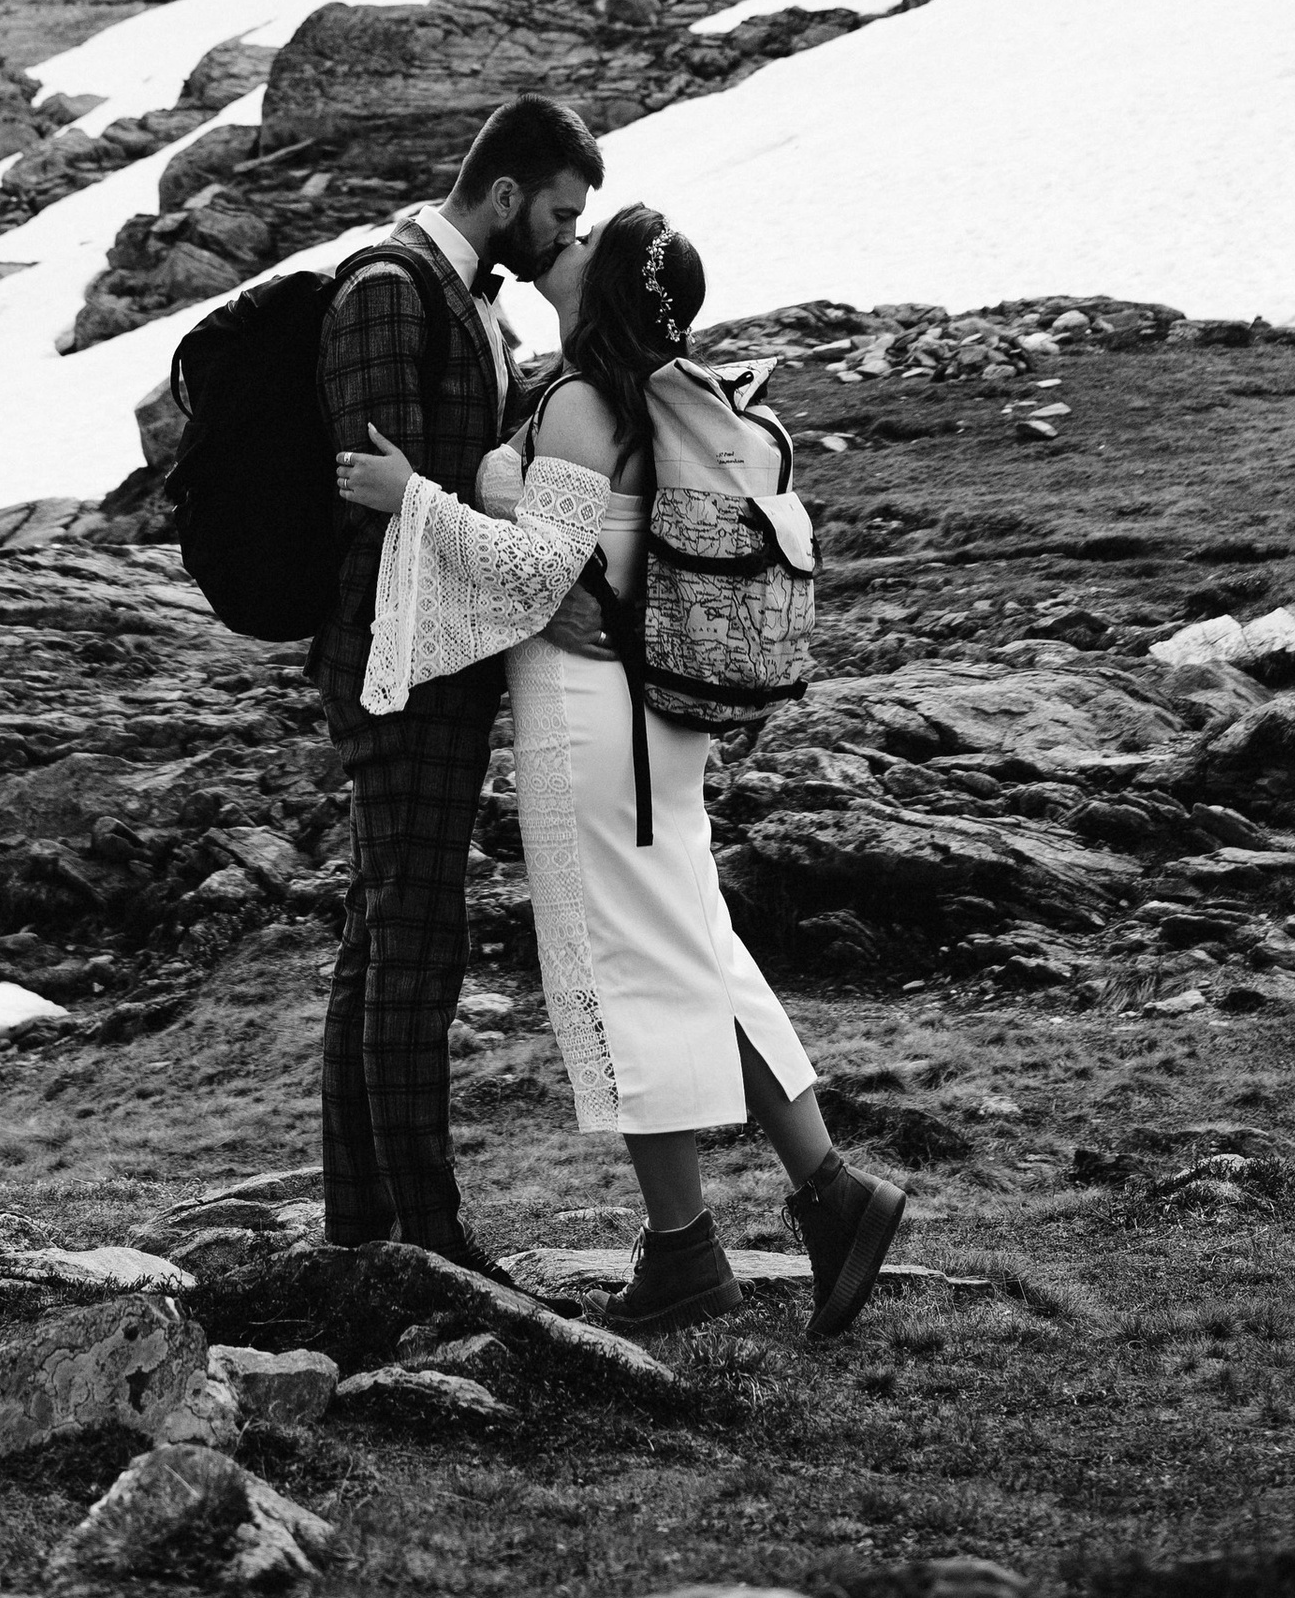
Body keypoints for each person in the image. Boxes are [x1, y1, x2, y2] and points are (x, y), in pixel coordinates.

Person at [338, 202, 908, 1344]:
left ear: (604, 293)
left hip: (593, 729)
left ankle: (687, 1251)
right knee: (696, 955)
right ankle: (829, 1196)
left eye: (591, 243)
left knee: (623, 971)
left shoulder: (584, 407)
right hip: (650, 726)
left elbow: (538, 568)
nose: (571, 240)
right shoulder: (649, 395)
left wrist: (416, 501)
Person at [311, 92, 604, 1269]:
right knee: (415, 951)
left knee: (382, 940)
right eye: (560, 212)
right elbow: (378, 500)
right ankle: (426, 1241)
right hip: (397, 668)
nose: (566, 233)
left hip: (439, 663)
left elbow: (446, 492)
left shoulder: (469, 307)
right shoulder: (391, 288)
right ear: (503, 196)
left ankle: (362, 1229)